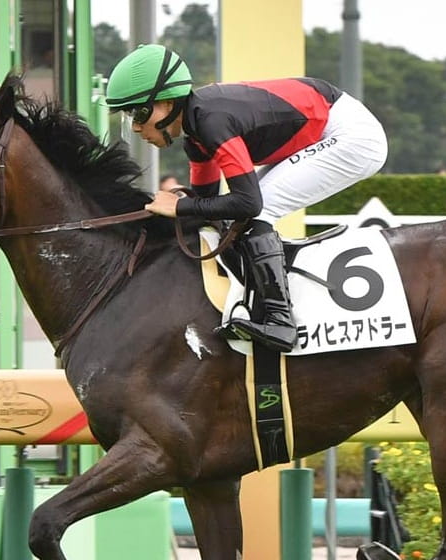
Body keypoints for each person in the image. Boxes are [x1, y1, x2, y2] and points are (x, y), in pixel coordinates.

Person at [106, 44, 387, 352]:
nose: (136, 127)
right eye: (129, 116)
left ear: (168, 103)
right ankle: (259, 304)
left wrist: (180, 206)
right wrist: (174, 209)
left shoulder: (211, 122)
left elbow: (248, 203)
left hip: (351, 135)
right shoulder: (196, 137)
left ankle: (280, 322)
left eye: (139, 113)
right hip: (327, 124)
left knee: (258, 211)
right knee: (239, 214)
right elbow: (207, 206)